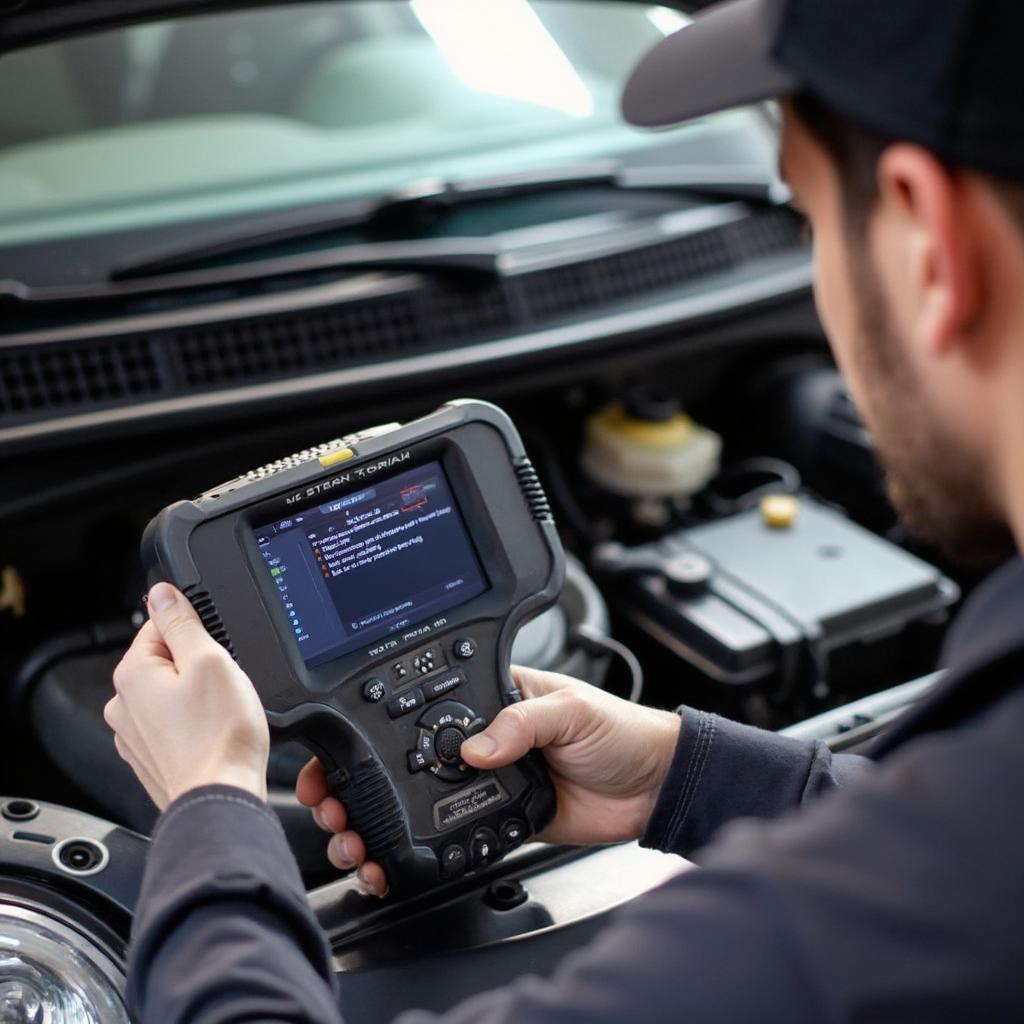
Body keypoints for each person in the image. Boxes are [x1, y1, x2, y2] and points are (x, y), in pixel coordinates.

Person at [104, 0, 1024, 1019]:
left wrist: (209, 801)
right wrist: (683, 776)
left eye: (804, 216)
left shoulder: (866, 921)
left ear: (930, 244)